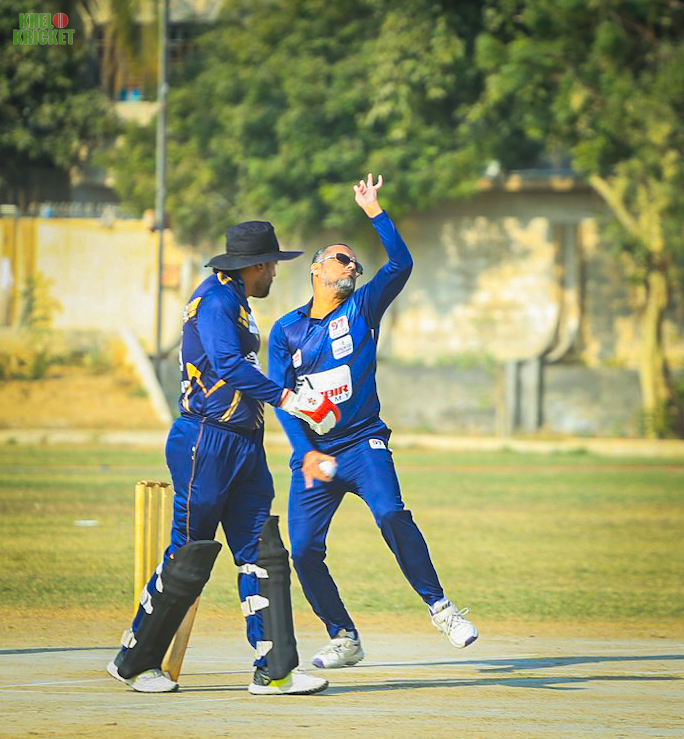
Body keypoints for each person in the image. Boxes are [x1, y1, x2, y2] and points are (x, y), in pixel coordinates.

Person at [107, 220, 340, 694]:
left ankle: (275, 671)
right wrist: (290, 400)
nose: (274, 274)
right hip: (205, 440)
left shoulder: (236, 300)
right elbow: (227, 365)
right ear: (256, 265)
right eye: (272, 266)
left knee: (263, 551)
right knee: (190, 551)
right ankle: (134, 664)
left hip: (244, 443)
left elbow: (240, 366)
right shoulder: (215, 300)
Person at [268, 174, 478, 669]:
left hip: (363, 445)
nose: (352, 266)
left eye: (355, 264)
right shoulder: (286, 331)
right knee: (304, 551)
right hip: (316, 456)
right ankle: (344, 637)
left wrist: (374, 212)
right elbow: (281, 399)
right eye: (342, 258)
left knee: (390, 513)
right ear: (317, 268)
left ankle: (441, 609)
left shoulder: (362, 308)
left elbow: (401, 264)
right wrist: (306, 452)